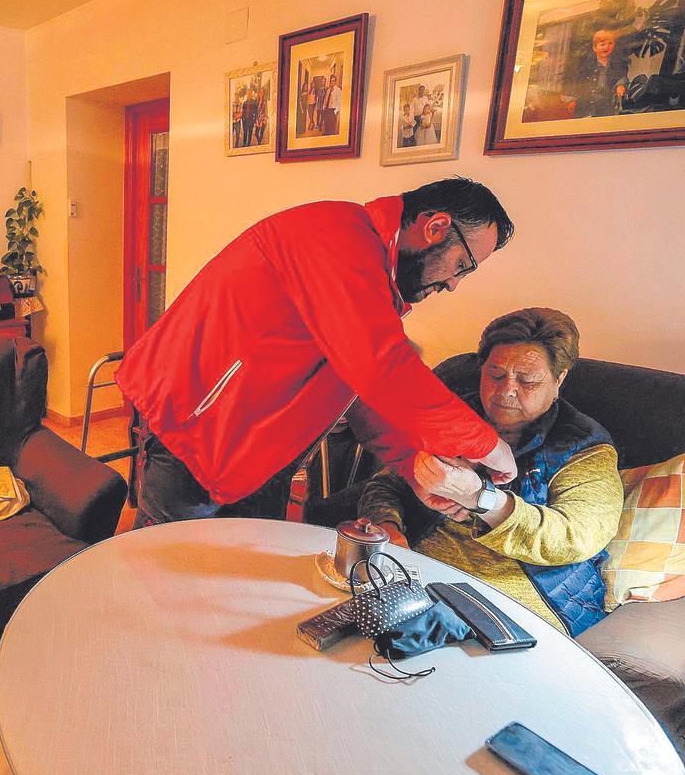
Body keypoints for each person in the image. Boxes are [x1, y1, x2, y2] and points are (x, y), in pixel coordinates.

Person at [116, 177, 517, 528]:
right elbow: (382, 368)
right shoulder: (339, 236)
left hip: (262, 454)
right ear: (436, 227)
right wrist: (487, 445)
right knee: (162, 573)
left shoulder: (376, 280)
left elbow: (358, 393)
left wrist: (412, 465)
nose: (453, 285)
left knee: (244, 574)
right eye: (461, 265)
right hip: (195, 431)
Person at [357, 308, 621, 636]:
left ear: (559, 379)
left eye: (527, 380)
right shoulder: (456, 414)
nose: (506, 390)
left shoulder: (584, 446)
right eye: (495, 374)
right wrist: (388, 529)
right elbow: (387, 482)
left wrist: (484, 500)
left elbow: (574, 538)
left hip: (522, 595)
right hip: (419, 573)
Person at [576, 28, 629, 118]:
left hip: (606, 109)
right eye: (602, 44)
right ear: (594, 48)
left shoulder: (617, 65)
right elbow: (578, 87)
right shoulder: (586, 66)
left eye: (610, 43)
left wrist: (621, 85)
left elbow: (622, 78)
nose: (607, 47)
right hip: (587, 109)